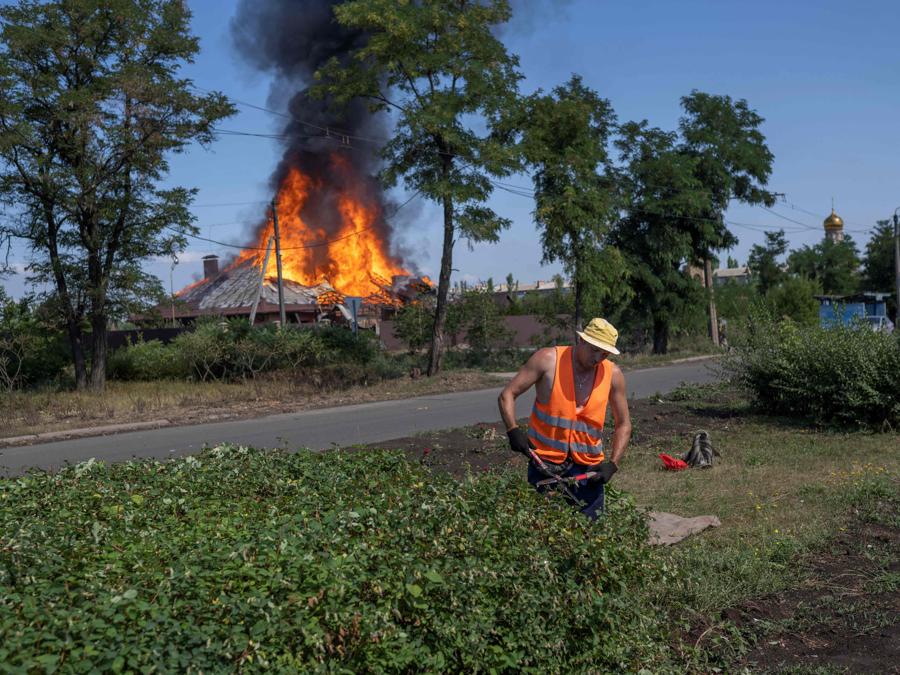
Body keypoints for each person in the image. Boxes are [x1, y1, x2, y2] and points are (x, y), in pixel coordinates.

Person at [497, 317, 632, 519]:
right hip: (545, 465)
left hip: (589, 470)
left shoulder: (613, 374)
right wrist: (513, 430)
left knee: (591, 533)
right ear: (582, 341)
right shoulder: (548, 360)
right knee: (543, 530)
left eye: (604, 354)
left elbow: (624, 424)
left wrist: (612, 463)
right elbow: (507, 395)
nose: (598, 358)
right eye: (594, 350)